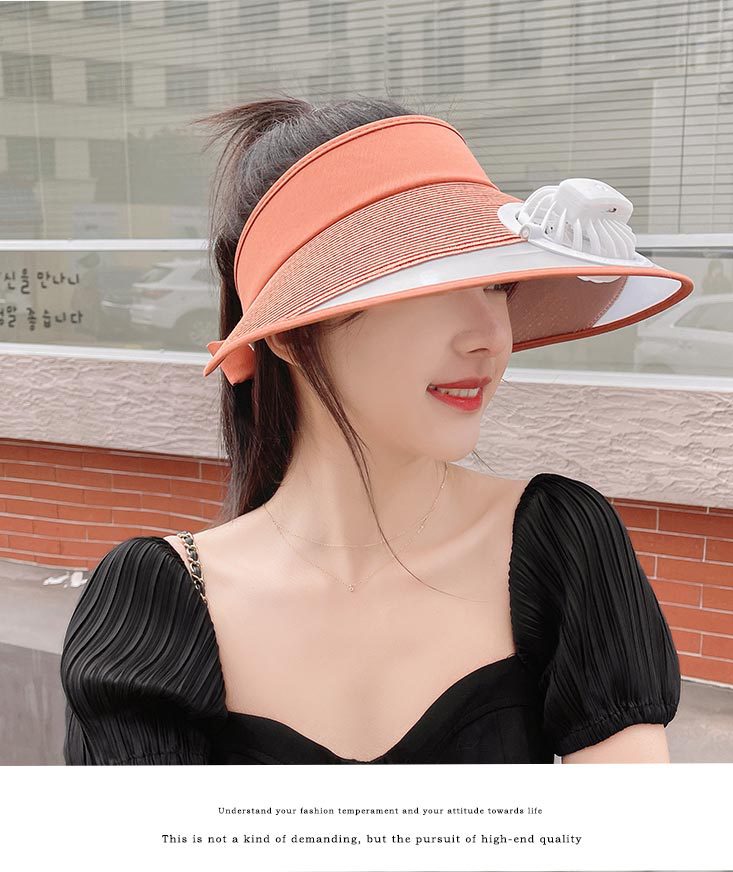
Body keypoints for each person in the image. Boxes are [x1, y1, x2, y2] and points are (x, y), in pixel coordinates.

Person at [60, 96, 693, 766]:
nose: (489, 338)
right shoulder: (155, 607)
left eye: (496, 286)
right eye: (427, 284)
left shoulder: (559, 543)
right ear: (290, 333)